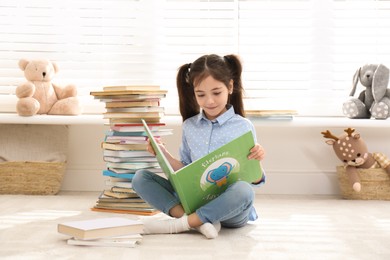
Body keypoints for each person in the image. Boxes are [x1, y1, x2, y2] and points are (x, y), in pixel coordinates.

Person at [132, 54, 266, 239]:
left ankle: (181, 224)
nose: (209, 101)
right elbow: (185, 173)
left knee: (244, 191)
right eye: (201, 95)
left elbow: (255, 179)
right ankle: (199, 223)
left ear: (230, 87)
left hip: (230, 209)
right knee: (140, 178)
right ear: (193, 93)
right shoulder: (190, 126)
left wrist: (258, 158)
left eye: (216, 92)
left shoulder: (243, 126)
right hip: (195, 202)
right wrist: (163, 154)